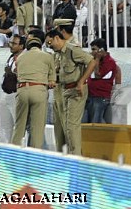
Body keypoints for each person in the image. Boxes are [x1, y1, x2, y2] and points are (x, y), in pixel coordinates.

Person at [47, 20, 95, 155]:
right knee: (61, 127)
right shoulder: (58, 54)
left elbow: (91, 61)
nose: (49, 46)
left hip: (75, 90)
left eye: (50, 43)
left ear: (57, 37)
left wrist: (81, 81)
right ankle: (65, 156)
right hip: (62, 90)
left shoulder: (73, 50)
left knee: (71, 127)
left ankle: (76, 158)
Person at [12, 32, 55, 148]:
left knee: (19, 126)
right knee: (37, 128)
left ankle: (12, 154)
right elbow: (52, 81)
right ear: (40, 46)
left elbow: (18, 74)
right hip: (39, 90)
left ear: (27, 47)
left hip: (22, 91)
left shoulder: (20, 57)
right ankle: (34, 158)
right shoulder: (47, 56)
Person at [83, 38, 119, 124]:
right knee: (85, 122)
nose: (92, 52)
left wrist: (97, 59)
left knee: (95, 122)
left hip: (100, 97)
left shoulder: (110, 62)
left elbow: (97, 74)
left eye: (94, 49)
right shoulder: (94, 61)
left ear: (101, 49)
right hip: (90, 95)